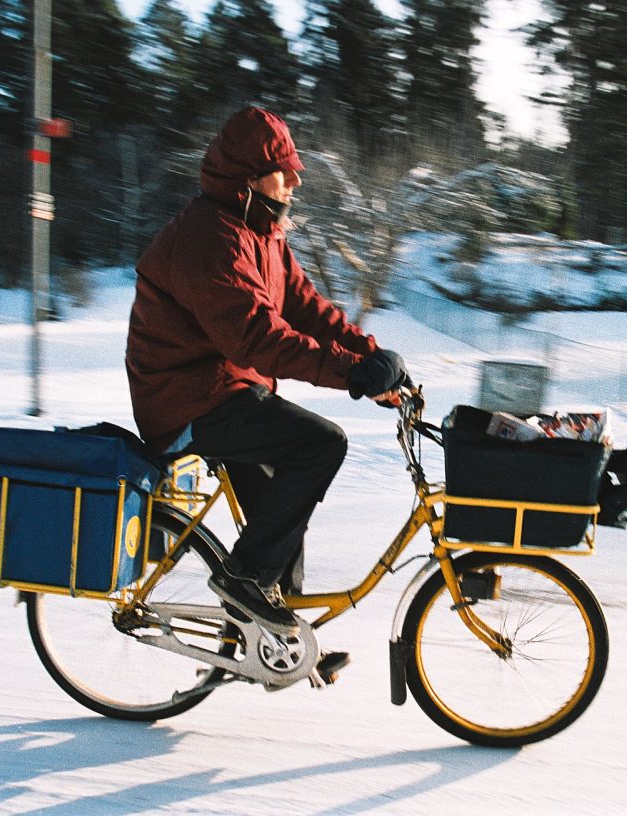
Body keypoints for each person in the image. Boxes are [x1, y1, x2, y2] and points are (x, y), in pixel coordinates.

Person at [125, 107, 408, 655]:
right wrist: (352, 375)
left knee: (282, 510)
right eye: (283, 169)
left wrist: (373, 356)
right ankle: (243, 585)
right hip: (186, 397)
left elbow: (307, 309)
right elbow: (256, 338)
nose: (296, 179)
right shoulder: (209, 238)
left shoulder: (262, 233)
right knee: (321, 444)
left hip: (227, 387)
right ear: (248, 177)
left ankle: (279, 646)